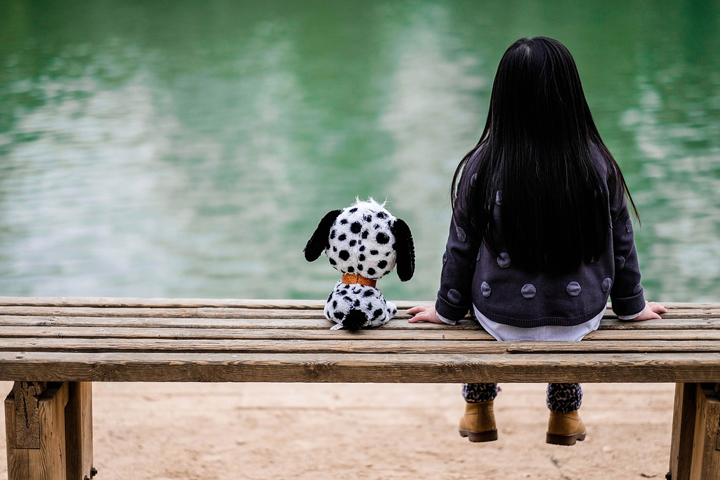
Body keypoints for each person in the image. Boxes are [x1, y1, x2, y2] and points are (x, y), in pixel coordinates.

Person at [407, 36, 666, 446]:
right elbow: (622, 242)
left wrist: (446, 311)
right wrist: (632, 307)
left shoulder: (482, 164)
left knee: (479, 313)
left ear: (502, 98)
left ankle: (478, 409)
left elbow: (460, 249)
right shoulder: (596, 162)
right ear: (571, 95)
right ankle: (565, 414)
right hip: (579, 317)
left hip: (499, 318)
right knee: (566, 320)